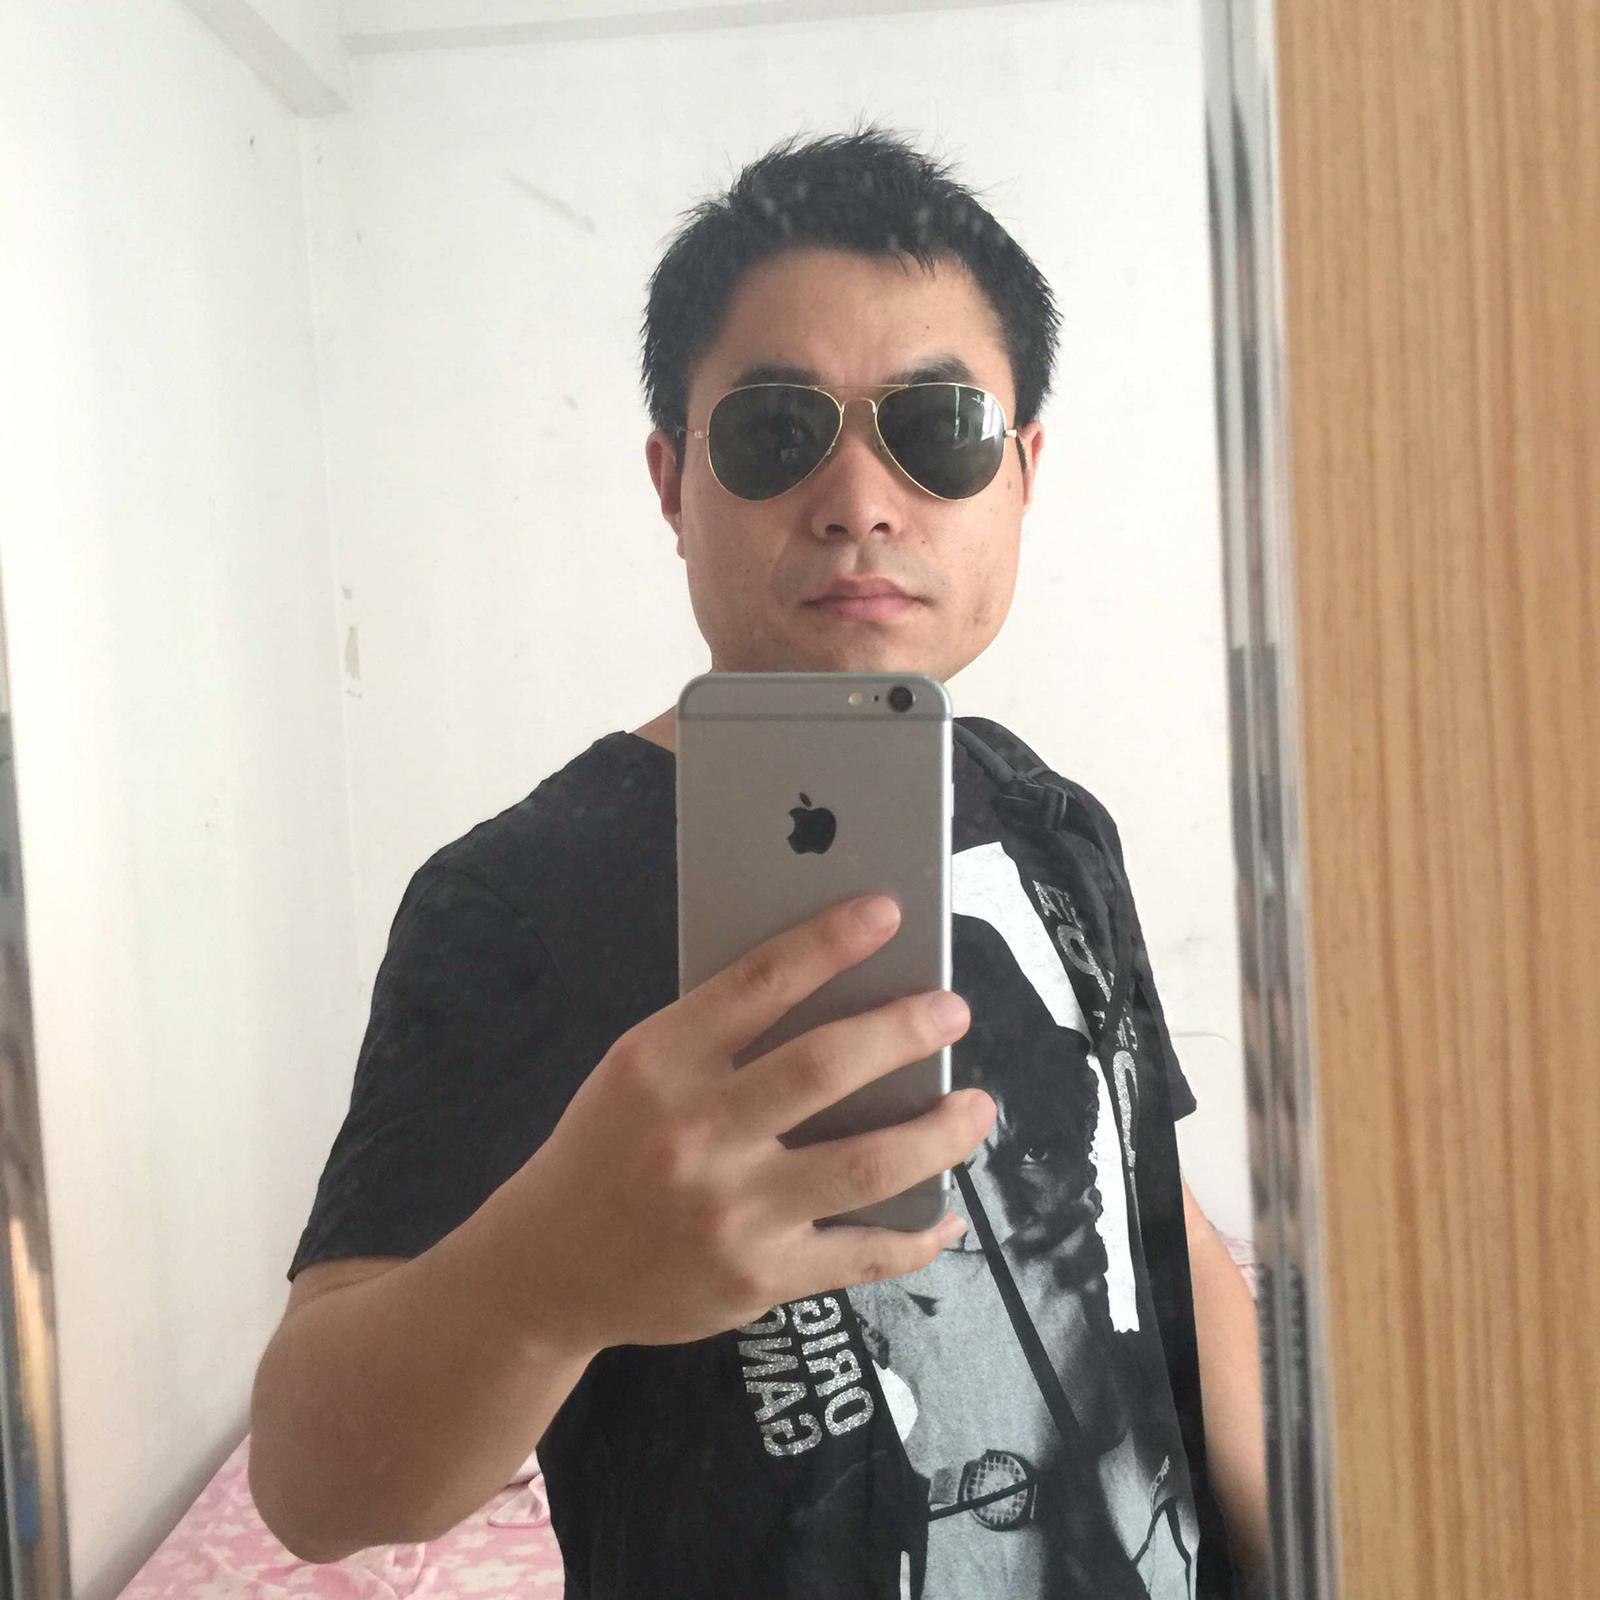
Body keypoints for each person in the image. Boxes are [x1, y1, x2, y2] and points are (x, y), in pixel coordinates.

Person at [248, 125, 1268, 1599]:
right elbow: (311, 1485)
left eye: (940, 428)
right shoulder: (513, 897)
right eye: (779, 431)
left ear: (1024, 473)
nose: (861, 499)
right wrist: (547, 1278)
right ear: (673, 484)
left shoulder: (1052, 816)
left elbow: (1160, 1224)